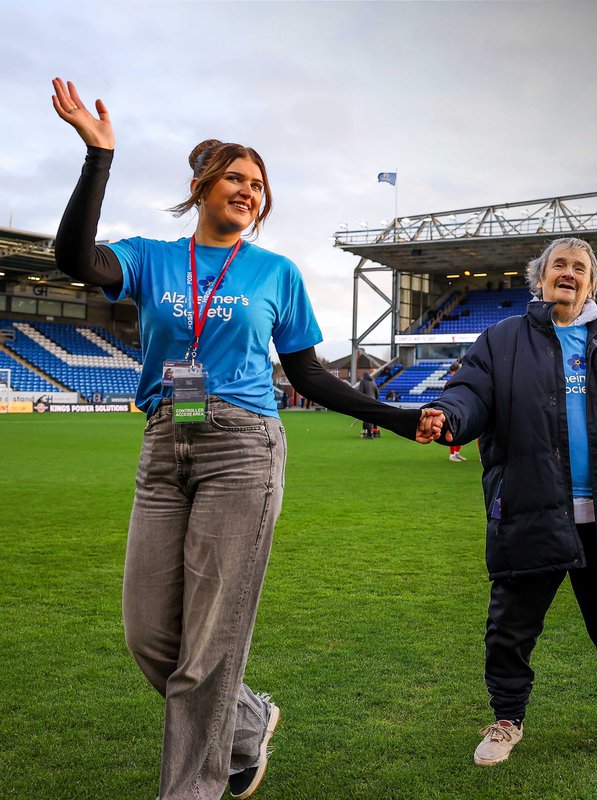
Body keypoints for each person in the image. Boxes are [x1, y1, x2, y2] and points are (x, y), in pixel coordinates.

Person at [50, 78, 440, 800]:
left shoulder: (275, 274)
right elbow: (76, 259)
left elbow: (311, 377)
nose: (248, 191)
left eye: (258, 185)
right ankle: (250, 720)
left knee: (208, 647)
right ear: (201, 187)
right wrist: (98, 156)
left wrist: (393, 416)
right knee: (148, 636)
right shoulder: (151, 258)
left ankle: (190, 792)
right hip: (164, 442)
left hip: (243, 448)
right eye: (235, 177)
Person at [420, 237, 597, 766]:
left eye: (581, 268)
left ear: (593, 283)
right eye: (560, 265)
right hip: (532, 506)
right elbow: (469, 392)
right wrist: (449, 416)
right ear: (540, 278)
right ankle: (507, 719)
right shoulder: (502, 340)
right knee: (511, 625)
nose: (570, 274)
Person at [444, 360, 468, 461]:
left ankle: (456, 452)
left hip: (461, 406)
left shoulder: (458, 380)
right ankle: (452, 454)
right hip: (453, 407)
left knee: (463, 431)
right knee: (454, 430)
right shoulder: (451, 382)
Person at [355, 371, 381, 438]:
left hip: (366, 401)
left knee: (366, 417)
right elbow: (377, 393)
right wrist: (375, 399)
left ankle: (369, 434)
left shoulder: (363, 382)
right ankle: (375, 433)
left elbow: (360, 393)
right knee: (374, 417)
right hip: (374, 401)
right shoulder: (373, 382)